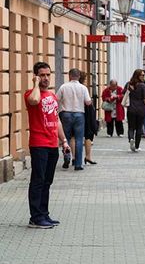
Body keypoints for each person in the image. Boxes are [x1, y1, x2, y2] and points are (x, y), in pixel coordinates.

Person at [25, 61, 71, 228]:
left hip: (52, 144)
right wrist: (36, 84)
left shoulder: (52, 96)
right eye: (42, 75)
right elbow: (34, 100)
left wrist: (64, 141)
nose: (46, 78)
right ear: (37, 76)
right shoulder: (31, 94)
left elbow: (56, 120)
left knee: (47, 181)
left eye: (47, 75)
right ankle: (35, 217)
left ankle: (44, 214)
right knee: (38, 180)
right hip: (39, 144)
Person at [56, 68, 92, 171]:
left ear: (69, 75)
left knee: (65, 138)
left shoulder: (63, 86)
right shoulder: (83, 88)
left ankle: (67, 157)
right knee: (79, 139)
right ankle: (78, 164)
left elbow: (56, 98)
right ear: (79, 76)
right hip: (79, 114)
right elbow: (88, 102)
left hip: (66, 114)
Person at [126, 69, 145, 152]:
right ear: (138, 75)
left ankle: (131, 139)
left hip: (131, 109)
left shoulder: (129, 84)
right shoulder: (143, 86)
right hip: (141, 109)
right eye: (142, 75)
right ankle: (136, 146)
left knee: (131, 127)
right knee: (139, 128)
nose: (143, 77)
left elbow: (123, 94)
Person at [79, 72, 98, 165]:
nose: (86, 81)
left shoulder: (66, 86)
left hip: (71, 113)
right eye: (85, 79)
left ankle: (75, 158)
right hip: (86, 114)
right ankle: (88, 156)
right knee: (88, 134)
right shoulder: (83, 88)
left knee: (74, 136)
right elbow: (88, 102)